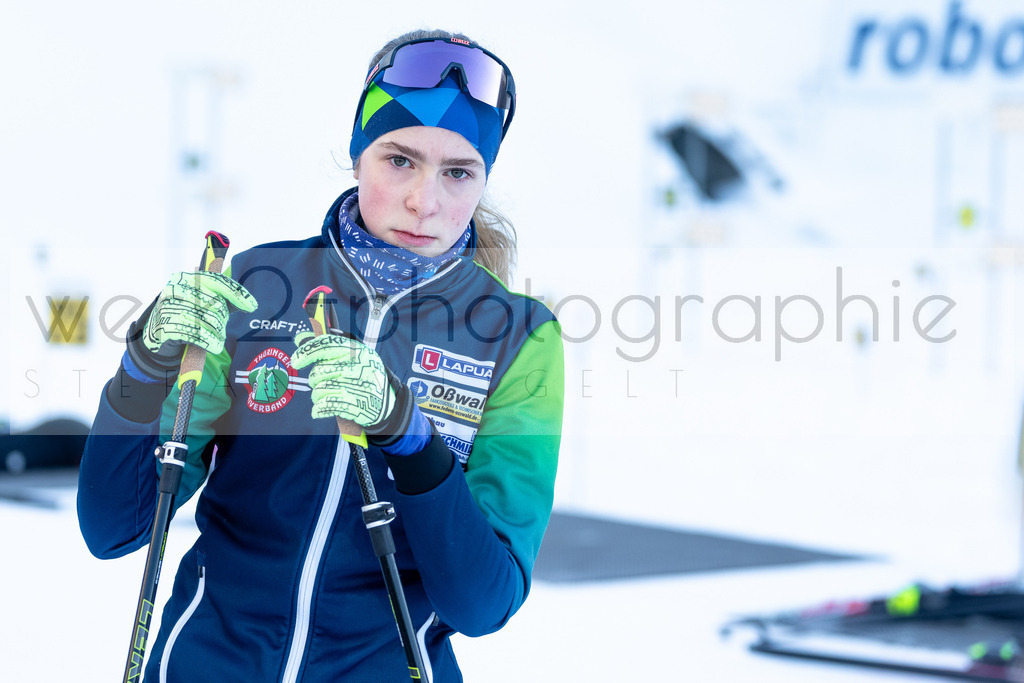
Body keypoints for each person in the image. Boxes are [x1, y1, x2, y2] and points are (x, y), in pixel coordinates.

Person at [78, 29, 564, 682]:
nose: (427, 200)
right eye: (400, 160)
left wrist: (411, 439)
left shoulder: (516, 336)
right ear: (358, 154)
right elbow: (115, 526)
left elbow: (481, 602)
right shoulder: (257, 283)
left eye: (458, 171)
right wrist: (143, 371)